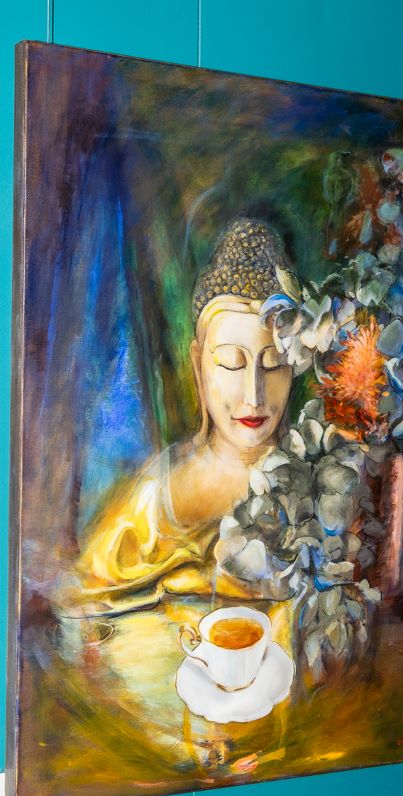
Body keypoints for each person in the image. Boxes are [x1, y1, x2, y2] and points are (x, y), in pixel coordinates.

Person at [72, 219, 297, 612]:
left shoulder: (312, 493)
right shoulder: (155, 500)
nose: (254, 395)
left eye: (274, 364)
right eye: (231, 362)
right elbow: (86, 603)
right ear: (198, 365)